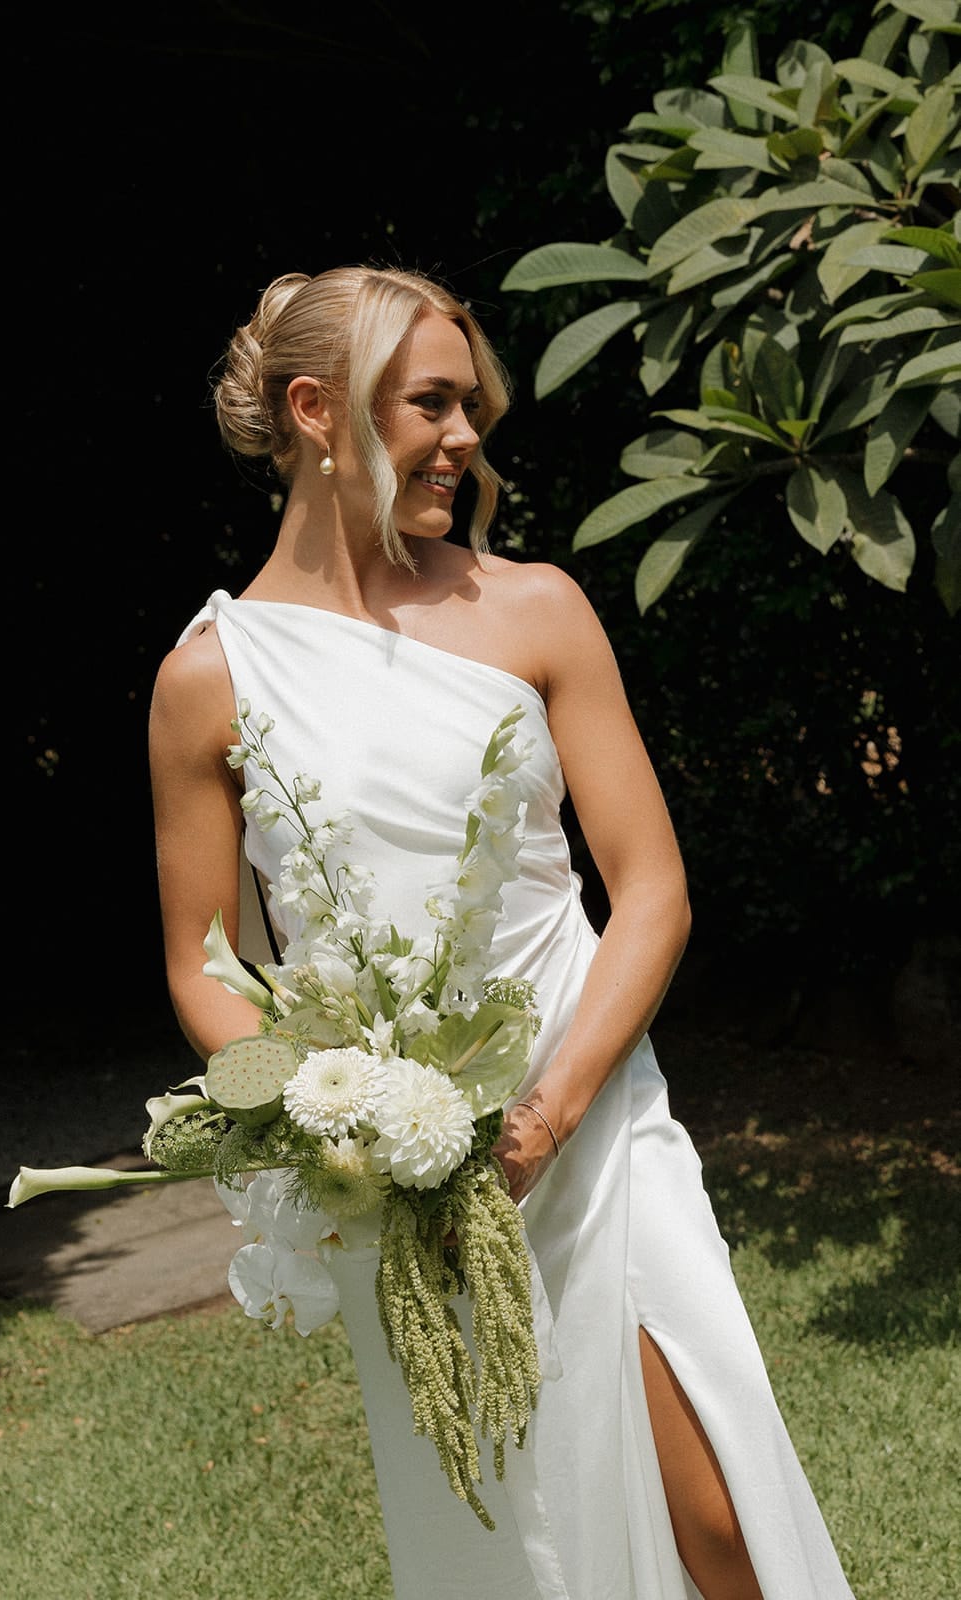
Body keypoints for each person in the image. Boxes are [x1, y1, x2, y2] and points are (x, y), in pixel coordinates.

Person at [148, 265, 856, 1600]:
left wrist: (544, 1118)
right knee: (517, 1538)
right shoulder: (207, 680)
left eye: (468, 405)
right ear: (314, 409)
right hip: (409, 1180)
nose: (465, 436)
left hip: (591, 1115)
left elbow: (651, 888)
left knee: (719, 1518)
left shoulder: (533, 608)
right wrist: (330, 1123)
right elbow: (206, 959)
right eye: (430, 402)